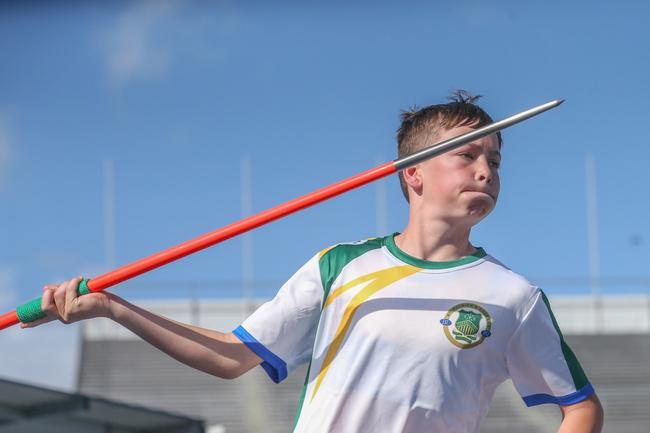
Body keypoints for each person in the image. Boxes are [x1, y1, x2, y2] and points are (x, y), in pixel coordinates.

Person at [24, 90, 604, 433]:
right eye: (468, 154)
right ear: (413, 173)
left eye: (496, 160)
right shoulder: (340, 266)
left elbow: (581, 409)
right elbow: (232, 358)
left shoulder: (513, 296)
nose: (486, 171)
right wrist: (111, 306)